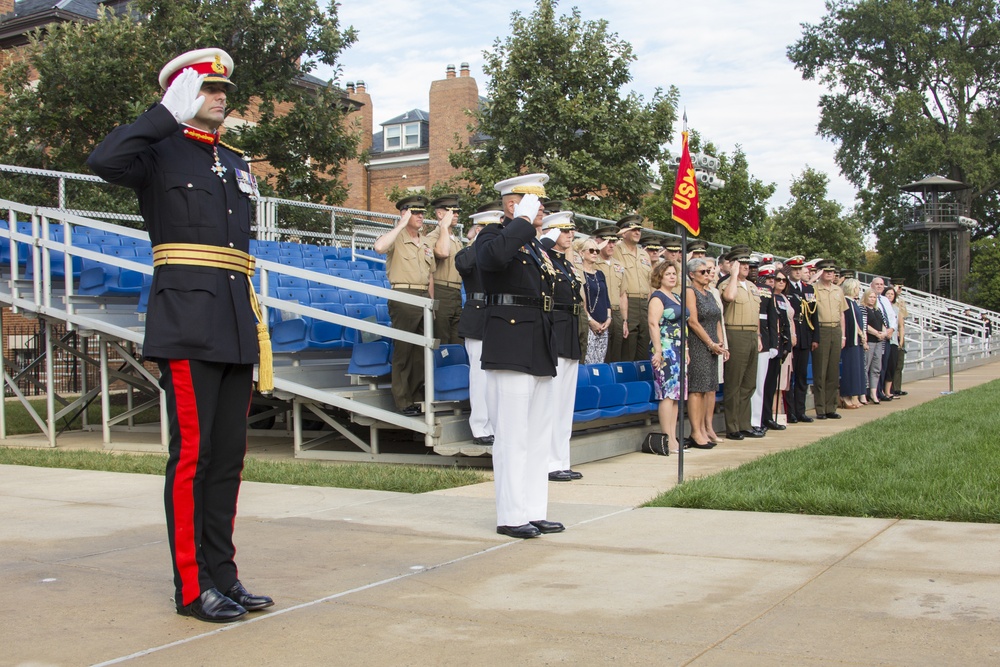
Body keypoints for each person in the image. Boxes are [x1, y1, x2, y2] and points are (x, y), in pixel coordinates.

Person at [87, 48, 272, 623]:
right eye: (209, 89)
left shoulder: (236, 162)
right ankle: (192, 588)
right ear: (181, 93)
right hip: (187, 321)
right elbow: (103, 161)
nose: (221, 97)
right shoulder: (157, 152)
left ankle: (225, 574)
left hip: (237, 318)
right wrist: (162, 116)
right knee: (193, 455)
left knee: (229, 458)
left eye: (224, 91)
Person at [476, 173, 563, 539]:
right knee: (512, 434)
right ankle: (511, 515)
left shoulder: (535, 246)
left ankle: (533, 510)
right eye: (534, 201)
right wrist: (522, 221)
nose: (542, 207)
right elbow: (494, 260)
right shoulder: (494, 235)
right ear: (513, 204)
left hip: (538, 339)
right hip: (509, 339)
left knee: (539, 433)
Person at [373, 194, 435, 416]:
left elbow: (430, 276)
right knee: (404, 351)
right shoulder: (396, 238)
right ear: (404, 214)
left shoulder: (426, 241)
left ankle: (417, 396)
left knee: (420, 353)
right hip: (403, 295)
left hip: (423, 299)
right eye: (415, 212)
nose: (420, 216)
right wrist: (400, 225)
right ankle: (402, 400)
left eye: (421, 213)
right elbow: (379, 247)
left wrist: (431, 304)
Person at [540, 210, 584, 483]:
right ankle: (547, 462)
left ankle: (561, 460)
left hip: (569, 335)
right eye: (564, 230)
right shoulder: (545, 261)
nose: (570, 235)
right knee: (551, 403)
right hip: (555, 333)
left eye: (571, 231)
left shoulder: (566, 265)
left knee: (565, 405)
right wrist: (546, 238)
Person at [455, 205, 502, 447]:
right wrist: (479, 240)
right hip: (477, 317)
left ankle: (494, 424)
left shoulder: (497, 253)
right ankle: (480, 426)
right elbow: (464, 266)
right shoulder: (468, 253)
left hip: (497, 317)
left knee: (496, 377)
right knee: (480, 376)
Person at [684, 256, 727, 448]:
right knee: (697, 389)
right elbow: (692, 321)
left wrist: (720, 343)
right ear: (692, 275)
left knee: (707, 388)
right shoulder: (690, 291)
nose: (707, 275)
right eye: (702, 272)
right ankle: (695, 432)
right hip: (698, 343)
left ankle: (703, 429)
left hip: (712, 345)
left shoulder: (709, 293)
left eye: (708, 271)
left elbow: (716, 319)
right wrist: (710, 343)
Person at [720, 249, 762, 440]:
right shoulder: (728, 284)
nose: (747, 267)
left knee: (748, 383)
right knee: (734, 383)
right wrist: (734, 275)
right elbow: (728, 298)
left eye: (748, 264)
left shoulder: (752, 286)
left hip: (752, 333)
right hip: (735, 333)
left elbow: (756, 312)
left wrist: (759, 335)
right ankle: (732, 426)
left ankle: (745, 423)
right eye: (742, 263)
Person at [648, 260, 686, 453]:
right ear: (660, 277)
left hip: (679, 348)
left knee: (676, 395)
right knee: (667, 394)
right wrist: (658, 350)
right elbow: (654, 324)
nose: (672, 276)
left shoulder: (678, 296)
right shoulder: (658, 297)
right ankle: (667, 439)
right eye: (668, 274)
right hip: (665, 349)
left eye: (674, 273)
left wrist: (686, 350)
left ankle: (674, 437)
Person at [782, 256, 817, 423]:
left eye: (799, 269)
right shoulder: (785, 288)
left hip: (804, 337)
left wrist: (814, 337)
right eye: (794, 269)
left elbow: (813, 315)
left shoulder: (808, 288)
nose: (797, 272)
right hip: (790, 337)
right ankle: (790, 413)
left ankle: (801, 411)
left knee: (802, 377)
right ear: (789, 270)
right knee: (790, 377)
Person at [812, 259, 847, 419]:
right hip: (822, 328)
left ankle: (830, 407)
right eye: (826, 272)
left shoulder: (838, 290)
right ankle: (820, 408)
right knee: (821, 370)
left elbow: (842, 314)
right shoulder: (814, 288)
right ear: (820, 272)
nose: (830, 274)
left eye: (832, 272)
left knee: (833, 370)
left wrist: (843, 335)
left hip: (836, 329)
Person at [614, 214, 653, 361]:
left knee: (644, 343)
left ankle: (640, 380)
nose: (638, 232)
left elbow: (648, 282)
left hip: (644, 302)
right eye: (634, 229)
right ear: (624, 232)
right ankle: (628, 381)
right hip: (627, 301)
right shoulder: (617, 249)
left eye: (639, 230)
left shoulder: (644, 254)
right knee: (628, 345)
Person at [428, 194, 464, 345]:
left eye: (457, 212)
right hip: (441, 290)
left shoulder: (456, 240)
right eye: (452, 211)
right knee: (442, 340)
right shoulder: (432, 237)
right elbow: (442, 253)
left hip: (456, 292)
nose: (456, 215)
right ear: (440, 214)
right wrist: (443, 227)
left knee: (457, 341)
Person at [761, 265, 794, 429]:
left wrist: (786, 343)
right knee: (764, 383)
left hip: (779, 344)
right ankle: (762, 417)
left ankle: (768, 416)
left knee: (772, 382)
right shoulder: (766, 298)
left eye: (780, 280)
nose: (776, 282)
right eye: (774, 279)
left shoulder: (781, 298)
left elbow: (785, 321)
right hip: (767, 343)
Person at [750, 263, 779, 435]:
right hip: (746, 337)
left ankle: (756, 420)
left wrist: (774, 343)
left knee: (759, 384)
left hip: (764, 340)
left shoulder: (765, 290)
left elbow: (772, 318)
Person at [576, 236, 612, 364]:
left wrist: (608, 319)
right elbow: (580, 300)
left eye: (597, 250)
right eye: (591, 250)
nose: (595, 253)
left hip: (604, 324)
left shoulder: (600, 274)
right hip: (589, 323)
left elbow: (606, 299)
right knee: (588, 361)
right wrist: (591, 321)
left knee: (600, 363)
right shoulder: (578, 273)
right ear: (582, 253)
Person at [593, 226, 627, 362]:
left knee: (616, 352)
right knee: (600, 353)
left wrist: (625, 320)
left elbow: (623, 294)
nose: (611, 245)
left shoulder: (619, 265)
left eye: (614, 242)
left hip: (617, 312)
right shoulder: (594, 263)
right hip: (600, 311)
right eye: (608, 241)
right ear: (599, 242)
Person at [838, 278, 867, 409]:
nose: (858, 291)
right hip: (851, 340)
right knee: (851, 369)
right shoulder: (847, 302)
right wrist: (861, 334)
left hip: (857, 341)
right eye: (857, 288)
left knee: (857, 369)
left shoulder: (854, 302)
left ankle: (854, 396)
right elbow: (852, 322)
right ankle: (846, 395)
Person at [863, 288, 886, 404]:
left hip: (879, 342)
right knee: (866, 366)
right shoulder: (864, 309)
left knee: (876, 368)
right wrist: (876, 333)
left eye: (874, 297)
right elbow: (864, 325)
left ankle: (873, 392)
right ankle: (864, 392)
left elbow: (883, 323)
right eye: (870, 297)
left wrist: (883, 333)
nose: (872, 299)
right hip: (870, 340)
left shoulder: (877, 310)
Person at [883, 286, 901, 398]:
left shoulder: (896, 309)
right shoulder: (880, 305)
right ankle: (882, 391)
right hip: (883, 339)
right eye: (888, 293)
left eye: (892, 294)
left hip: (893, 340)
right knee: (884, 365)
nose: (890, 296)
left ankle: (889, 391)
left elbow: (900, 325)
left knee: (892, 365)